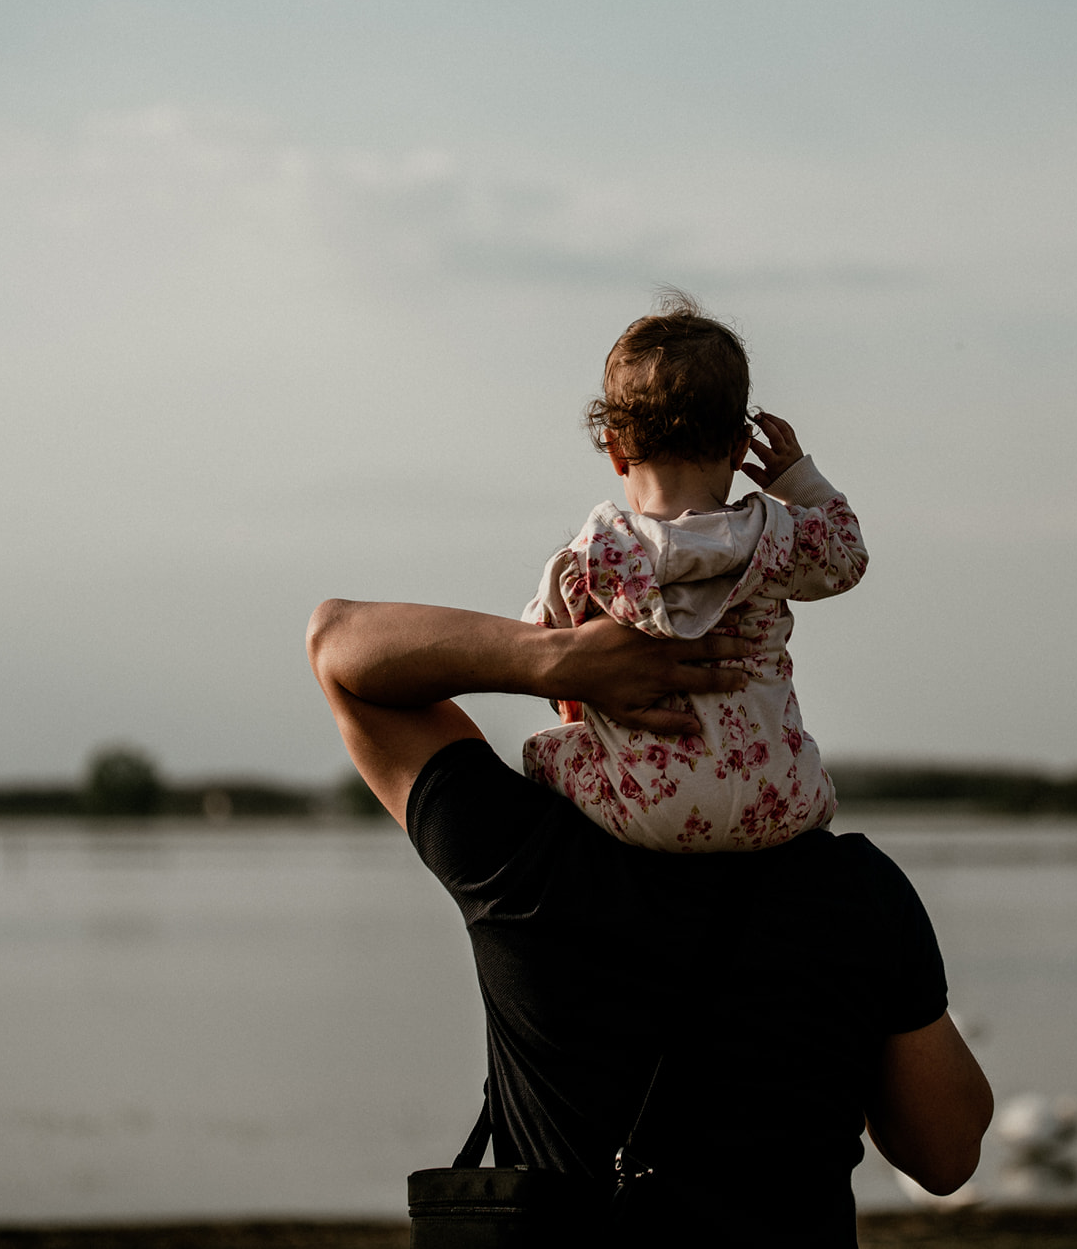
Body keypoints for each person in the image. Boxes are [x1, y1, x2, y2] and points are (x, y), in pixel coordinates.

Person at [307, 598, 992, 1246]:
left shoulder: (520, 857)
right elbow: (946, 1151)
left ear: (578, 699)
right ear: (762, 687)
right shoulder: (857, 891)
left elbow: (337, 642)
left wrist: (554, 655)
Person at [522, 295, 868, 851]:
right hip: (778, 804)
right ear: (738, 449)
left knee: (542, 749)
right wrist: (797, 480)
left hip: (648, 809)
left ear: (614, 449)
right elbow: (847, 556)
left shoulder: (593, 556)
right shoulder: (776, 534)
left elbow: (546, 650)